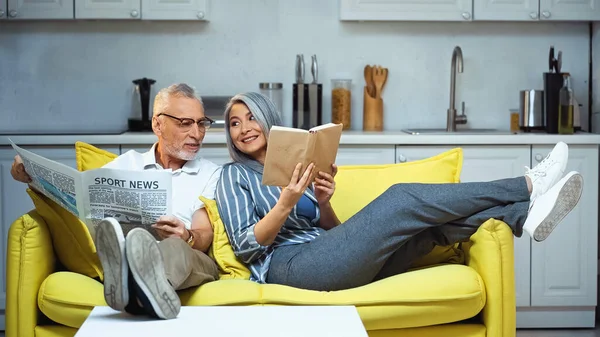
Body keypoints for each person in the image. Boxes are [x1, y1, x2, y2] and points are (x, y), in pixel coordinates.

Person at [214, 92, 584, 292]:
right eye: (234, 122)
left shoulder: (293, 168)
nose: (244, 128)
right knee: (401, 198)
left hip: (325, 258)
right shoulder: (232, 176)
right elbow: (247, 246)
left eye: (251, 118)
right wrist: (285, 204)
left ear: (268, 121)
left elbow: (333, 235)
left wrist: (322, 203)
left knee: (429, 230)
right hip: (288, 267)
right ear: (229, 134)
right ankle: (527, 185)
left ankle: (525, 216)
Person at [10, 83, 222, 319]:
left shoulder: (211, 173)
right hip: (129, 250)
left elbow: (205, 233)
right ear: (157, 124)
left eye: (201, 123)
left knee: (174, 247)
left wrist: (186, 235)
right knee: (117, 236)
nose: (197, 133)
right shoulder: (126, 165)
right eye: (185, 123)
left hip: (189, 257)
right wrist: (32, 177)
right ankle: (138, 283)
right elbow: (81, 201)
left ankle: (129, 285)